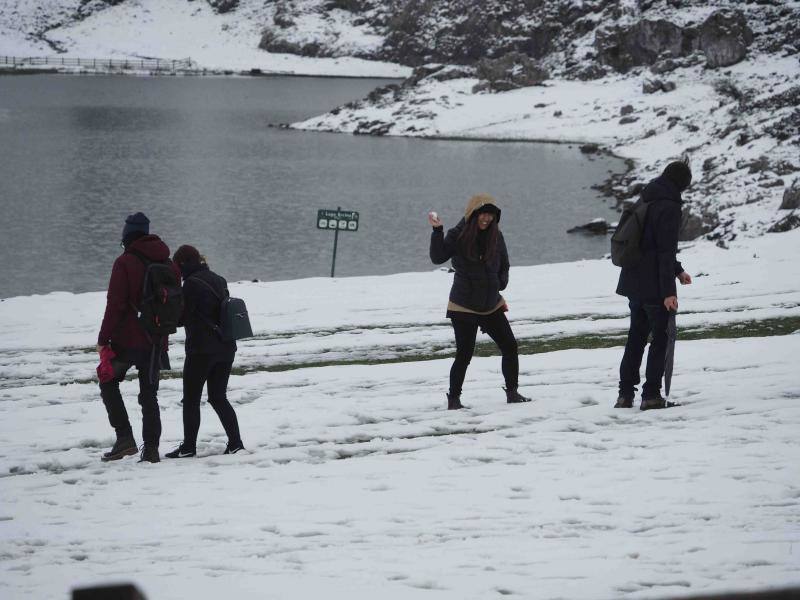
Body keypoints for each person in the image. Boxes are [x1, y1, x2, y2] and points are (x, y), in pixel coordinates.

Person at [429, 194, 532, 410]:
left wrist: (500, 282)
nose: (486, 218)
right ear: (473, 214)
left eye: (491, 215)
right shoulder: (457, 235)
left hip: (491, 304)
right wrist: (437, 231)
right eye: (482, 214)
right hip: (463, 306)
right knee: (464, 354)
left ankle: (512, 392)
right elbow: (438, 257)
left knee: (510, 346)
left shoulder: (497, 235)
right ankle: (454, 399)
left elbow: (504, 263)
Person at [97, 212, 180, 463]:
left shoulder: (125, 262)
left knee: (107, 381)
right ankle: (151, 450)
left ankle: (125, 439)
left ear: (127, 235)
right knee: (149, 396)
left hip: (128, 341)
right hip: (157, 340)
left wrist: (103, 338)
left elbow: (115, 304)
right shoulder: (170, 264)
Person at [615, 160, 693, 410]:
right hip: (654, 286)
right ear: (681, 184)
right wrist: (669, 293)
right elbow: (664, 249)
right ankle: (651, 396)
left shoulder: (647, 197)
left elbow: (651, 244)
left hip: (633, 280)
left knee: (635, 337)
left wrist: (678, 270)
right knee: (660, 338)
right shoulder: (669, 207)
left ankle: (625, 395)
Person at [165, 245, 244, 458]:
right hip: (226, 347)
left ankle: (189, 447)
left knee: (191, 399)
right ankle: (236, 443)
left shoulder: (190, 284)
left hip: (201, 350)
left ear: (181, 264)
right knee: (218, 397)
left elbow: (182, 317)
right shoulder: (219, 279)